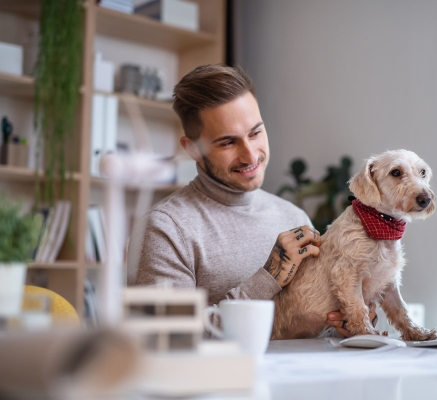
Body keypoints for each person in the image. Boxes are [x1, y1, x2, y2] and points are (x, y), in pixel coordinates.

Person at [127, 64, 376, 337]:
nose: (250, 155)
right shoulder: (166, 228)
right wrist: (268, 278)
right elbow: (167, 339)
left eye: (255, 133)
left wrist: (343, 326)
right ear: (192, 149)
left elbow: (311, 333)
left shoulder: (294, 218)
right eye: (227, 143)